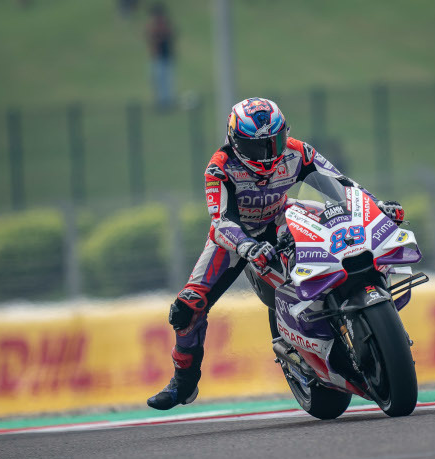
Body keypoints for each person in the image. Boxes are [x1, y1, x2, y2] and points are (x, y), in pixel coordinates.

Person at [147, 97, 405, 410]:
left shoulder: (298, 151)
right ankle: (183, 384)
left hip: (282, 218)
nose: (271, 153)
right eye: (260, 147)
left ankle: (341, 311)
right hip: (237, 237)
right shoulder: (220, 167)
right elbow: (221, 220)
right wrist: (246, 245)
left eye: (276, 141)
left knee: (341, 231)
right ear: (238, 143)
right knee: (186, 309)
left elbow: (341, 184)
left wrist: (377, 207)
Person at [145, 3, 175, 110]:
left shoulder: (164, 24)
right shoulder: (154, 25)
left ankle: (166, 103)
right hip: (157, 58)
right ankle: (161, 102)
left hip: (165, 57)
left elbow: (168, 35)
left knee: (166, 82)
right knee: (157, 81)